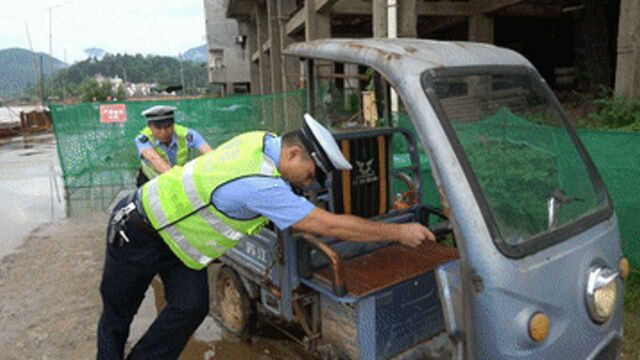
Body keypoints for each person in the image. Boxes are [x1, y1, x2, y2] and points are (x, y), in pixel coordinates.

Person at [97, 113, 435, 359]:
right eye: (311, 173)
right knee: (117, 318)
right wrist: (399, 231)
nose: (311, 182)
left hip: (181, 247)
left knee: (190, 307)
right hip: (138, 232)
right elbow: (329, 226)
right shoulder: (261, 184)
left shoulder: (261, 140)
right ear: (292, 154)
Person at [135, 105, 212, 187]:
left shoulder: (187, 135)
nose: (163, 132)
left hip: (178, 179)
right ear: (150, 127)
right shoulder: (143, 139)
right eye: (158, 128)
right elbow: (155, 160)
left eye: (168, 127)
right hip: (150, 181)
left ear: (173, 124)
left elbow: (210, 154)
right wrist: (179, 180)